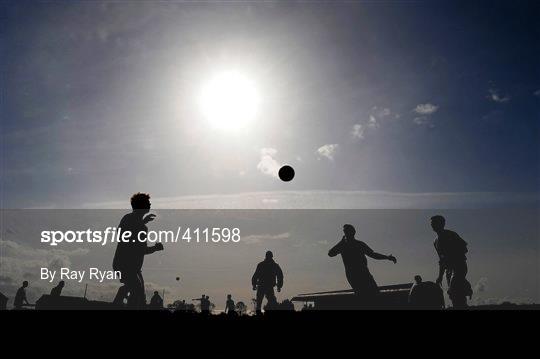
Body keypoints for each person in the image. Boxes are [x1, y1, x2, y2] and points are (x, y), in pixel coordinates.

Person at [112, 192, 164, 308]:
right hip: (125, 265)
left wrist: (154, 248)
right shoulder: (132, 221)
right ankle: (121, 297)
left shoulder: (135, 223)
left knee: (139, 294)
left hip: (132, 267)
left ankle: (123, 294)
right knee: (137, 292)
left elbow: (139, 248)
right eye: (147, 203)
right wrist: (155, 248)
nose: (150, 204)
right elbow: (128, 239)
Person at [328, 224, 397, 306]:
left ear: (353, 232)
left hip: (364, 274)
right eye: (345, 231)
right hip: (353, 276)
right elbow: (330, 253)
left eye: (347, 231)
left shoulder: (359, 244)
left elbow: (373, 254)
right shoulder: (342, 245)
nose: (346, 233)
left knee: (375, 296)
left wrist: (387, 257)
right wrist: (340, 242)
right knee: (363, 298)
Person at [430, 215, 472, 308]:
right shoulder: (435, 241)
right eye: (431, 224)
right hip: (448, 270)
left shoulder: (451, 234)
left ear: (442, 224)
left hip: (459, 266)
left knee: (454, 288)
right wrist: (440, 276)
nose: (432, 225)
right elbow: (441, 260)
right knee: (454, 295)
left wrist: (452, 254)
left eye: (434, 223)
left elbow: (464, 249)